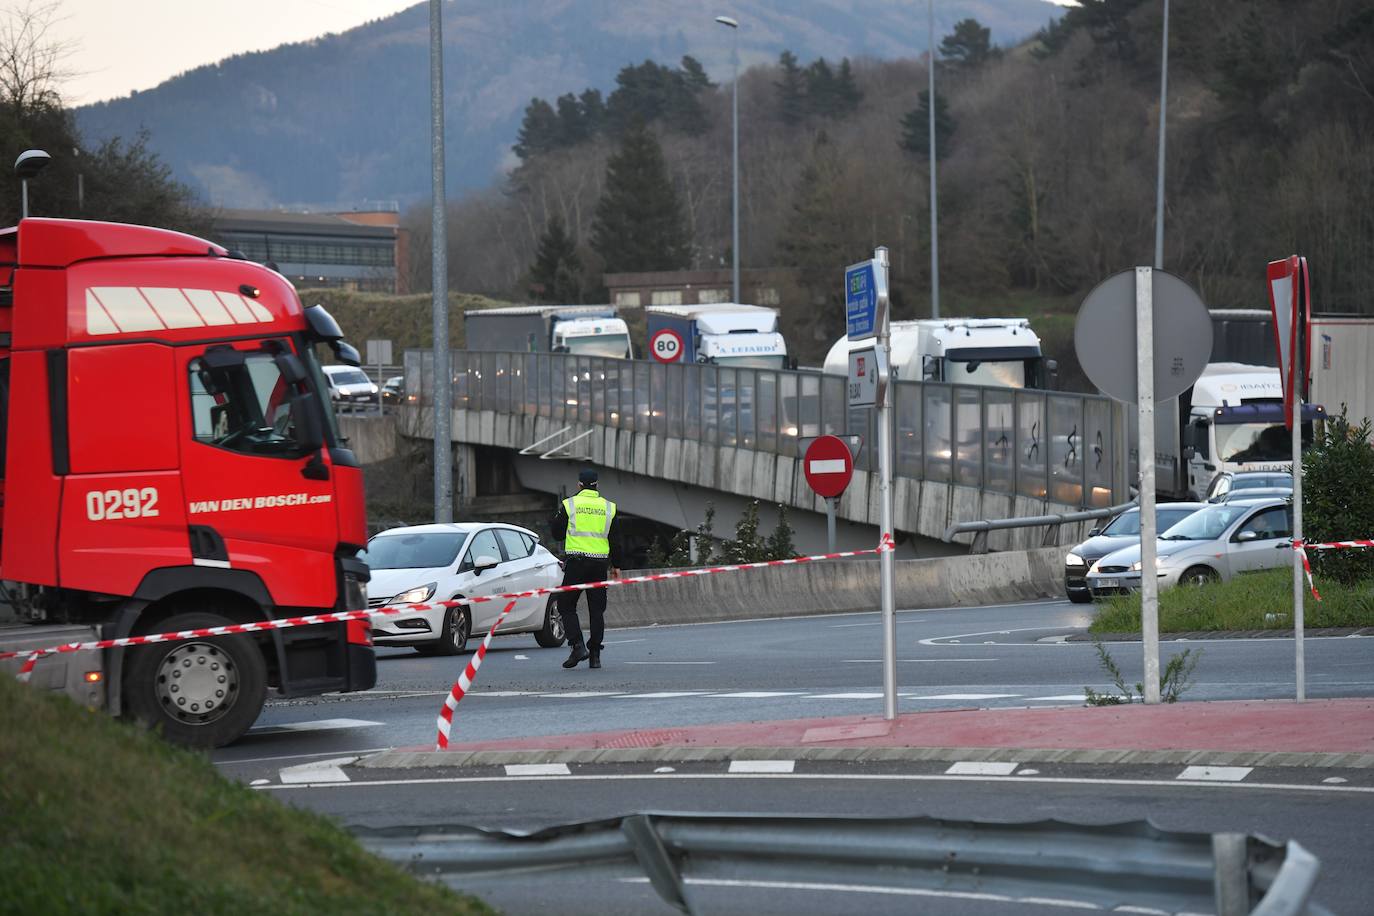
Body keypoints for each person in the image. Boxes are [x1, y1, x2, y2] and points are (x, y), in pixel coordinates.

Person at [552, 468, 621, 669]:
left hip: (576, 564)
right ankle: (595, 655)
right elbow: (615, 541)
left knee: (565, 605)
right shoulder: (609, 507)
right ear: (597, 485)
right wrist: (617, 565)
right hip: (599, 565)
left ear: (579, 485)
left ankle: (577, 645)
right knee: (597, 610)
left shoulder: (569, 504)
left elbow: (556, 534)